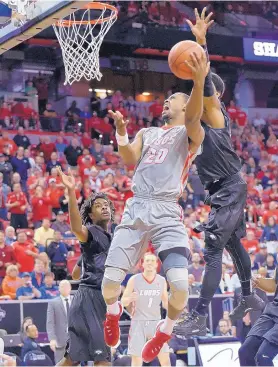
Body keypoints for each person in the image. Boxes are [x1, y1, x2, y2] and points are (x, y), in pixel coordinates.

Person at [101, 51, 208, 363]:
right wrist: (121, 130)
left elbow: (193, 115)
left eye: (172, 98)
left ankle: (166, 327)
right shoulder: (147, 133)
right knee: (109, 287)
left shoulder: (190, 134)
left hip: (166, 212)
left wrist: (198, 82)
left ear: (186, 106)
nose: (166, 102)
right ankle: (112, 311)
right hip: (137, 209)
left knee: (180, 289)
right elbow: (129, 158)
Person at [174, 8, 264, 338]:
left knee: (212, 247)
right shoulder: (197, 122)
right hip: (224, 188)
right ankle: (248, 294)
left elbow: (206, 85)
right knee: (232, 243)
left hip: (228, 186)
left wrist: (200, 43)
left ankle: (198, 315)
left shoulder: (215, 113)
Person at [55, 167, 115, 366]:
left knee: (71, 360)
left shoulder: (106, 239)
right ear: (90, 213)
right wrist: (71, 192)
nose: (105, 207)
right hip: (90, 299)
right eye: (99, 206)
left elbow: (75, 272)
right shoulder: (91, 231)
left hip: (92, 300)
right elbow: (75, 228)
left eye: (106, 205)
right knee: (103, 360)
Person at [121, 252, 170, 367]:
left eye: (152, 261)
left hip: (156, 322)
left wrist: (177, 310)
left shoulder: (162, 280)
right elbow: (123, 302)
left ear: (157, 264)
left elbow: (165, 303)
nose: (149, 263)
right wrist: (129, 298)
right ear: (142, 264)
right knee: (137, 361)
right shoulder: (134, 279)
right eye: (147, 261)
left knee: (165, 359)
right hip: (138, 322)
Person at [238, 268, 278, 366]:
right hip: (274, 309)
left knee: (263, 356)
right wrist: (257, 281)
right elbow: (274, 284)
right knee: (245, 352)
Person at [46, 280, 72, 363]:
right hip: (60, 342)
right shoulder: (53, 303)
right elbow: (50, 323)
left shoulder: (76, 301)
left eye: (66, 286)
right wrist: (52, 339)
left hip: (75, 342)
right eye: (62, 286)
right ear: (59, 289)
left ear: (70, 288)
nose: (65, 288)